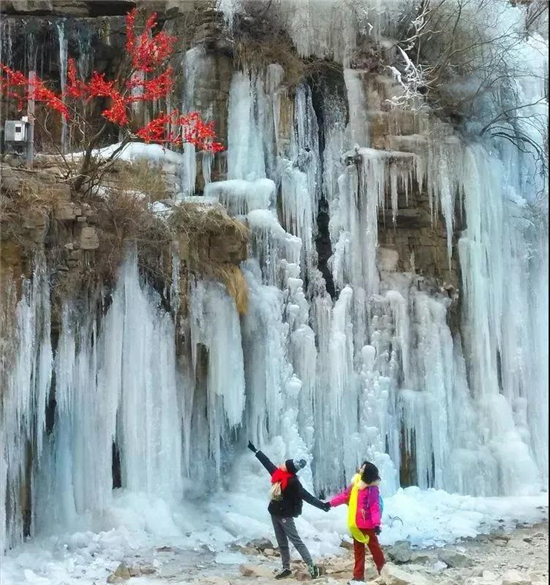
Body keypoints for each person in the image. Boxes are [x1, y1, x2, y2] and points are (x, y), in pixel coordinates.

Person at [247, 441, 329, 580]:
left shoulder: (293, 483)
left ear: (288, 469)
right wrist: (256, 451)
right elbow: (267, 463)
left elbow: (307, 497)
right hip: (275, 513)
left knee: (296, 541)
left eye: (285, 464)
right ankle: (286, 568)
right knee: (282, 543)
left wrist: (322, 505)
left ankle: (311, 566)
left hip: (285, 515)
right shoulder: (278, 475)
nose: (282, 465)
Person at [326, 461, 385, 583]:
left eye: (363, 468)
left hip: (367, 525)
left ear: (367, 473)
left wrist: (376, 524)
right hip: (356, 525)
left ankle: (383, 570)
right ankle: (358, 576)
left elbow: (374, 507)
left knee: (375, 549)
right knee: (358, 551)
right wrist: (330, 504)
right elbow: (344, 496)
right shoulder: (355, 485)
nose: (360, 469)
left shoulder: (372, 489)